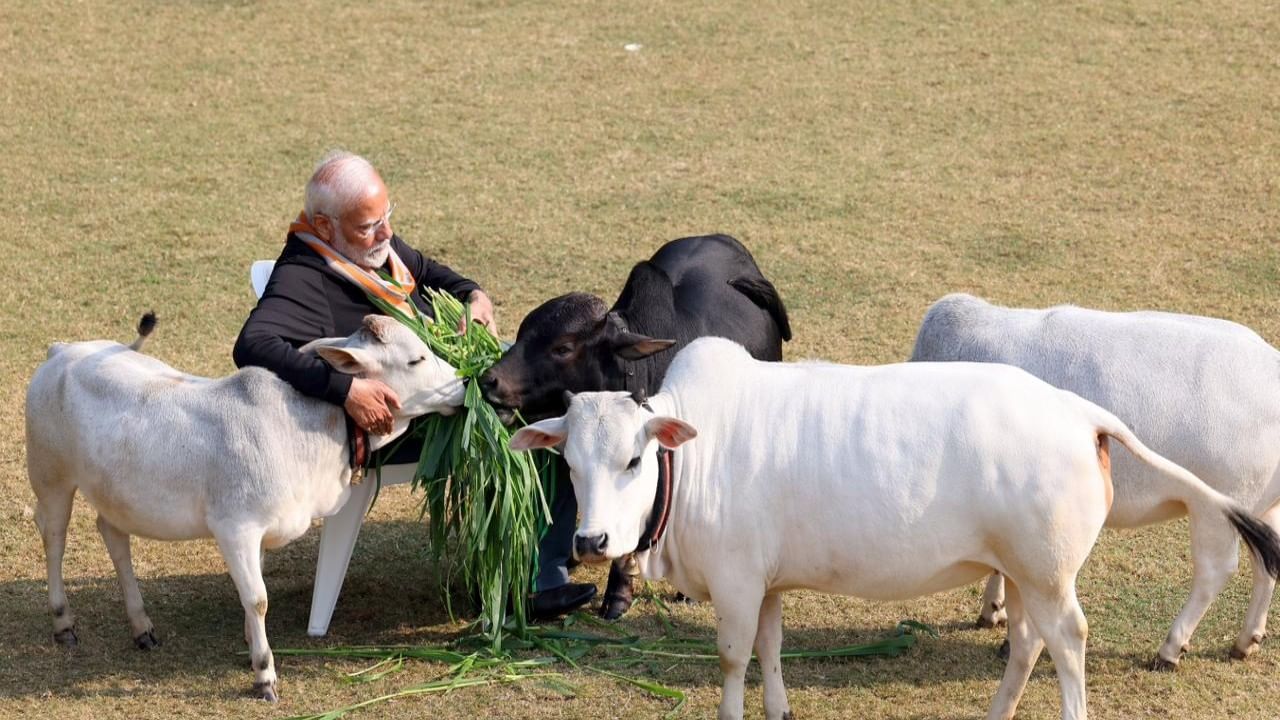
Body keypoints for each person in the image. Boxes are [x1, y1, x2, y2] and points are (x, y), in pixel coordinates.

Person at [233, 150, 596, 619]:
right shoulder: (304, 277)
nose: (385, 234)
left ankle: (549, 551)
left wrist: (472, 293)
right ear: (325, 229)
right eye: (369, 226)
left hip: (440, 379)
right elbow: (252, 344)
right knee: (522, 416)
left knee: (549, 386)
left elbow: (423, 268)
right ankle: (527, 586)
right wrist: (346, 390)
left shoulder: (369, 244)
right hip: (399, 419)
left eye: (388, 217)